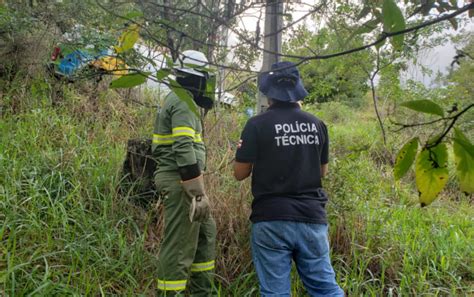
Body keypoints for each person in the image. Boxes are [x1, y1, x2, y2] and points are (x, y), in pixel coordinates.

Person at [233, 61, 344, 297]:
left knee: (275, 293)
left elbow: (240, 174)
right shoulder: (317, 124)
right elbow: (322, 172)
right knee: (325, 289)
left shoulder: (256, 124)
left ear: (268, 94)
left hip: (271, 219)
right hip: (312, 218)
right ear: (298, 90)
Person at [152, 50, 216, 296]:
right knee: (180, 246)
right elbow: (183, 147)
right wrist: (196, 192)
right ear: (196, 78)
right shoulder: (182, 102)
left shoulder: (182, 99)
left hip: (186, 182)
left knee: (206, 235)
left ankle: (202, 292)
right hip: (182, 183)